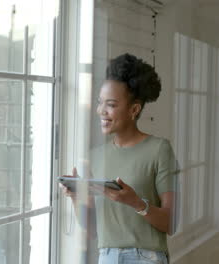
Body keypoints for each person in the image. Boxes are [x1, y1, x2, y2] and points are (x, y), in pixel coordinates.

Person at [60, 53, 178, 264]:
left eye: (111, 105)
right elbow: (95, 231)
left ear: (134, 109)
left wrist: (135, 202)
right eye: (100, 103)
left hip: (146, 258)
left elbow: (170, 223)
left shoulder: (159, 149)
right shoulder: (95, 157)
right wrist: (76, 198)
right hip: (107, 257)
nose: (101, 111)